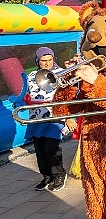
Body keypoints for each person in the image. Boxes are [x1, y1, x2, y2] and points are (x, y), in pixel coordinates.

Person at [25, 47, 75, 191]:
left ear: (54, 59)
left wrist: (70, 117)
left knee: (52, 148)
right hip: (36, 118)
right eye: (43, 60)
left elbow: (69, 97)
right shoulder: (31, 75)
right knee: (40, 150)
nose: (47, 63)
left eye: (49, 60)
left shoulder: (62, 73)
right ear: (37, 61)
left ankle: (59, 174)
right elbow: (26, 94)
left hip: (55, 118)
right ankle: (46, 177)